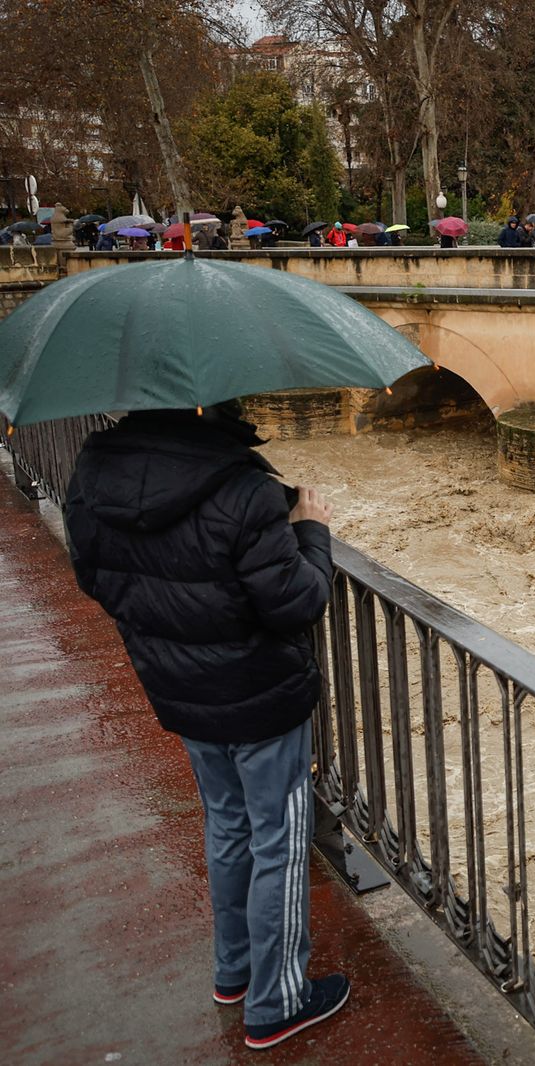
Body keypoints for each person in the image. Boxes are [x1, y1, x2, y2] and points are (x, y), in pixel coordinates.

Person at [64, 402, 350, 1051]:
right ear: (212, 399)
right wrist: (310, 531)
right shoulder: (242, 488)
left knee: (226, 822)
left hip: (178, 688)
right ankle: (277, 1001)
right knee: (277, 835)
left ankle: (235, 969)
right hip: (258, 695)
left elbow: (94, 578)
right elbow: (298, 601)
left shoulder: (92, 470)